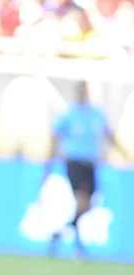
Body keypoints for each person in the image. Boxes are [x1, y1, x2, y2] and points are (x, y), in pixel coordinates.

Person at [44, 80, 126, 260]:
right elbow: (55, 137)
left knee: (88, 205)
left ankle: (60, 234)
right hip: (75, 162)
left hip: (91, 164)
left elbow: (109, 135)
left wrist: (124, 153)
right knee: (82, 203)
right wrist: (49, 161)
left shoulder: (97, 114)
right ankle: (78, 246)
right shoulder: (69, 114)